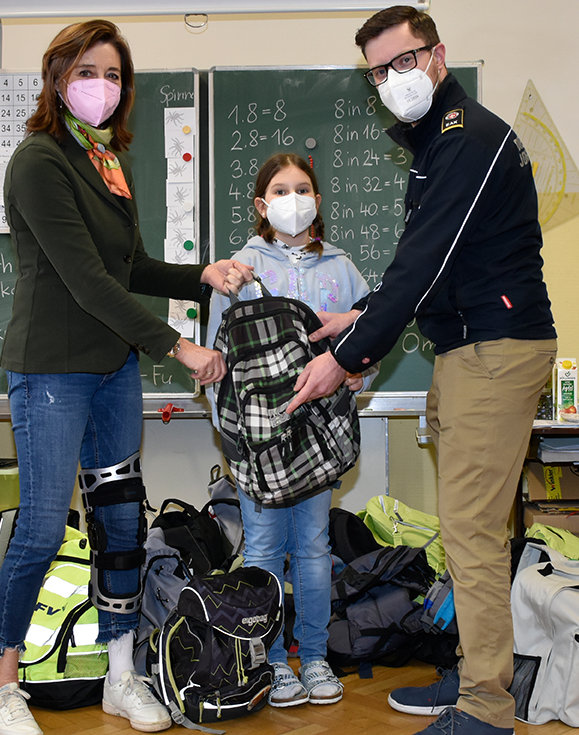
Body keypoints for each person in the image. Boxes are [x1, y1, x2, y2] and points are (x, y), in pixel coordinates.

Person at [287, 7, 557, 735]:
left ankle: (486, 708)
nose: (392, 79)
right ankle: (474, 672)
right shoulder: (439, 143)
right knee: (468, 528)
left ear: (438, 56)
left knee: (470, 532)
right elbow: (431, 265)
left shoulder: (465, 139)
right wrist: (359, 317)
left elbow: (423, 264)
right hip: (470, 347)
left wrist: (345, 358)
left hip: (494, 350)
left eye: (403, 60)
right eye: (378, 71)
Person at [0, 20, 252, 735]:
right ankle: (0, 684)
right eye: (87, 71)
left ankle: (119, 672)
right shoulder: (39, 161)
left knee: (122, 521)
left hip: (112, 370)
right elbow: (87, 281)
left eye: (113, 74)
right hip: (51, 371)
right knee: (42, 527)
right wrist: (179, 347)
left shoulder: (106, 163)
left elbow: (130, 268)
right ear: (58, 77)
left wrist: (201, 275)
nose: (102, 86)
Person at [205, 153, 377, 708]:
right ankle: (270, 660)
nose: (292, 199)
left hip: (320, 437)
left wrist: (360, 373)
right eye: (280, 190)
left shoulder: (343, 268)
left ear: (317, 200)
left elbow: (368, 338)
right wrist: (230, 434)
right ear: (262, 204)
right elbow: (216, 361)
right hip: (260, 441)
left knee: (313, 547)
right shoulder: (239, 270)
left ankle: (315, 656)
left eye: (302, 188)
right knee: (262, 547)